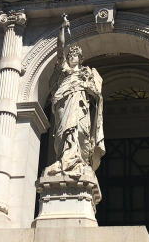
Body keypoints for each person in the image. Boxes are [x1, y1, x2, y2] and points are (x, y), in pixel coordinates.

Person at [43, 14, 104, 180]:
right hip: (64, 103)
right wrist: (62, 29)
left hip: (80, 105)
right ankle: (64, 160)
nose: (71, 58)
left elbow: (96, 94)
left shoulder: (86, 74)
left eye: (74, 56)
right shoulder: (64, 71)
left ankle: (79, 161)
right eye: (70, 56)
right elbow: (60, 48)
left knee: (80, 133)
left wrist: (86, 85)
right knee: (63, 131)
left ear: (80, 58)